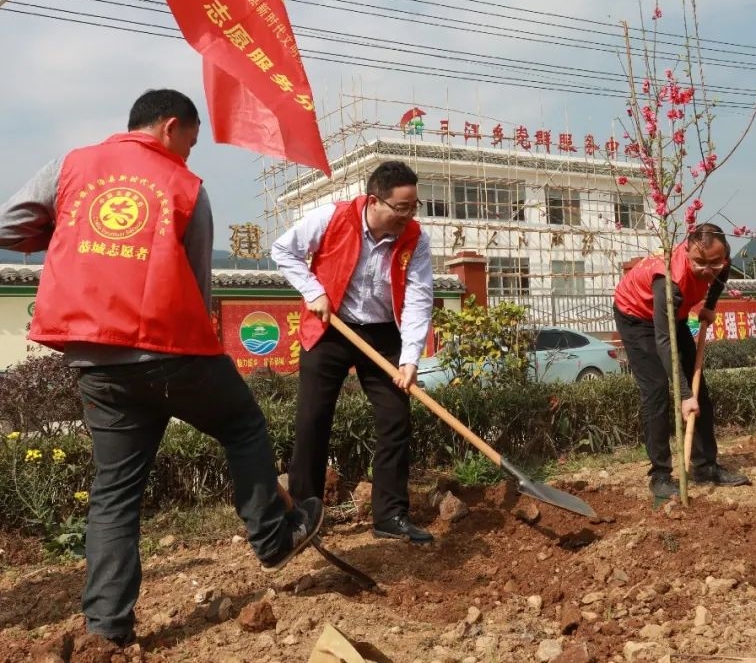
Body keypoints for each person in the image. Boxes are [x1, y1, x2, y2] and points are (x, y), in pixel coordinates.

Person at [0, 89, 323, 648]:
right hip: (172, 353)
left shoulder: (69, 166)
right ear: (172, 127)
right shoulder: (187, 189)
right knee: (242, 424)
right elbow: (196, 292)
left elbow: (8, 228)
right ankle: (272, 537)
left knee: (114, 495)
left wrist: (76, 235)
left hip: (97, 361)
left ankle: (107, 630)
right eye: (191, 143)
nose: (190, 157)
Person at [272, 160, 435, 543]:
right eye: (401, 207)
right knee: (313, 419)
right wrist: (314, 291)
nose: (408, 216)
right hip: (331, 327)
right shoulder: (332, 217)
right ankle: (302, 515)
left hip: (381, 335)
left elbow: (418, 297)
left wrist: (410, 358)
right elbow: (284, 250)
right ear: (375, 201)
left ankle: (390, 515)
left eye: (414, 207)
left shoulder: (415, 238)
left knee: (396, 418)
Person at [613, 224, 750, 500]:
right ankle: (660, 475)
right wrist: (684, 395)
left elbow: (721, 274)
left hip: (672, 316)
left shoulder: (719, 261)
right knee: (657, 392)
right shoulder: (668, 281)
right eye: (699, 263)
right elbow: (664, 341)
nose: (707, 269)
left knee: (701, 393)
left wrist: (710, 305)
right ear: (686, 253)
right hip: (637, 316)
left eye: (714, 261)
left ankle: (705, 466)